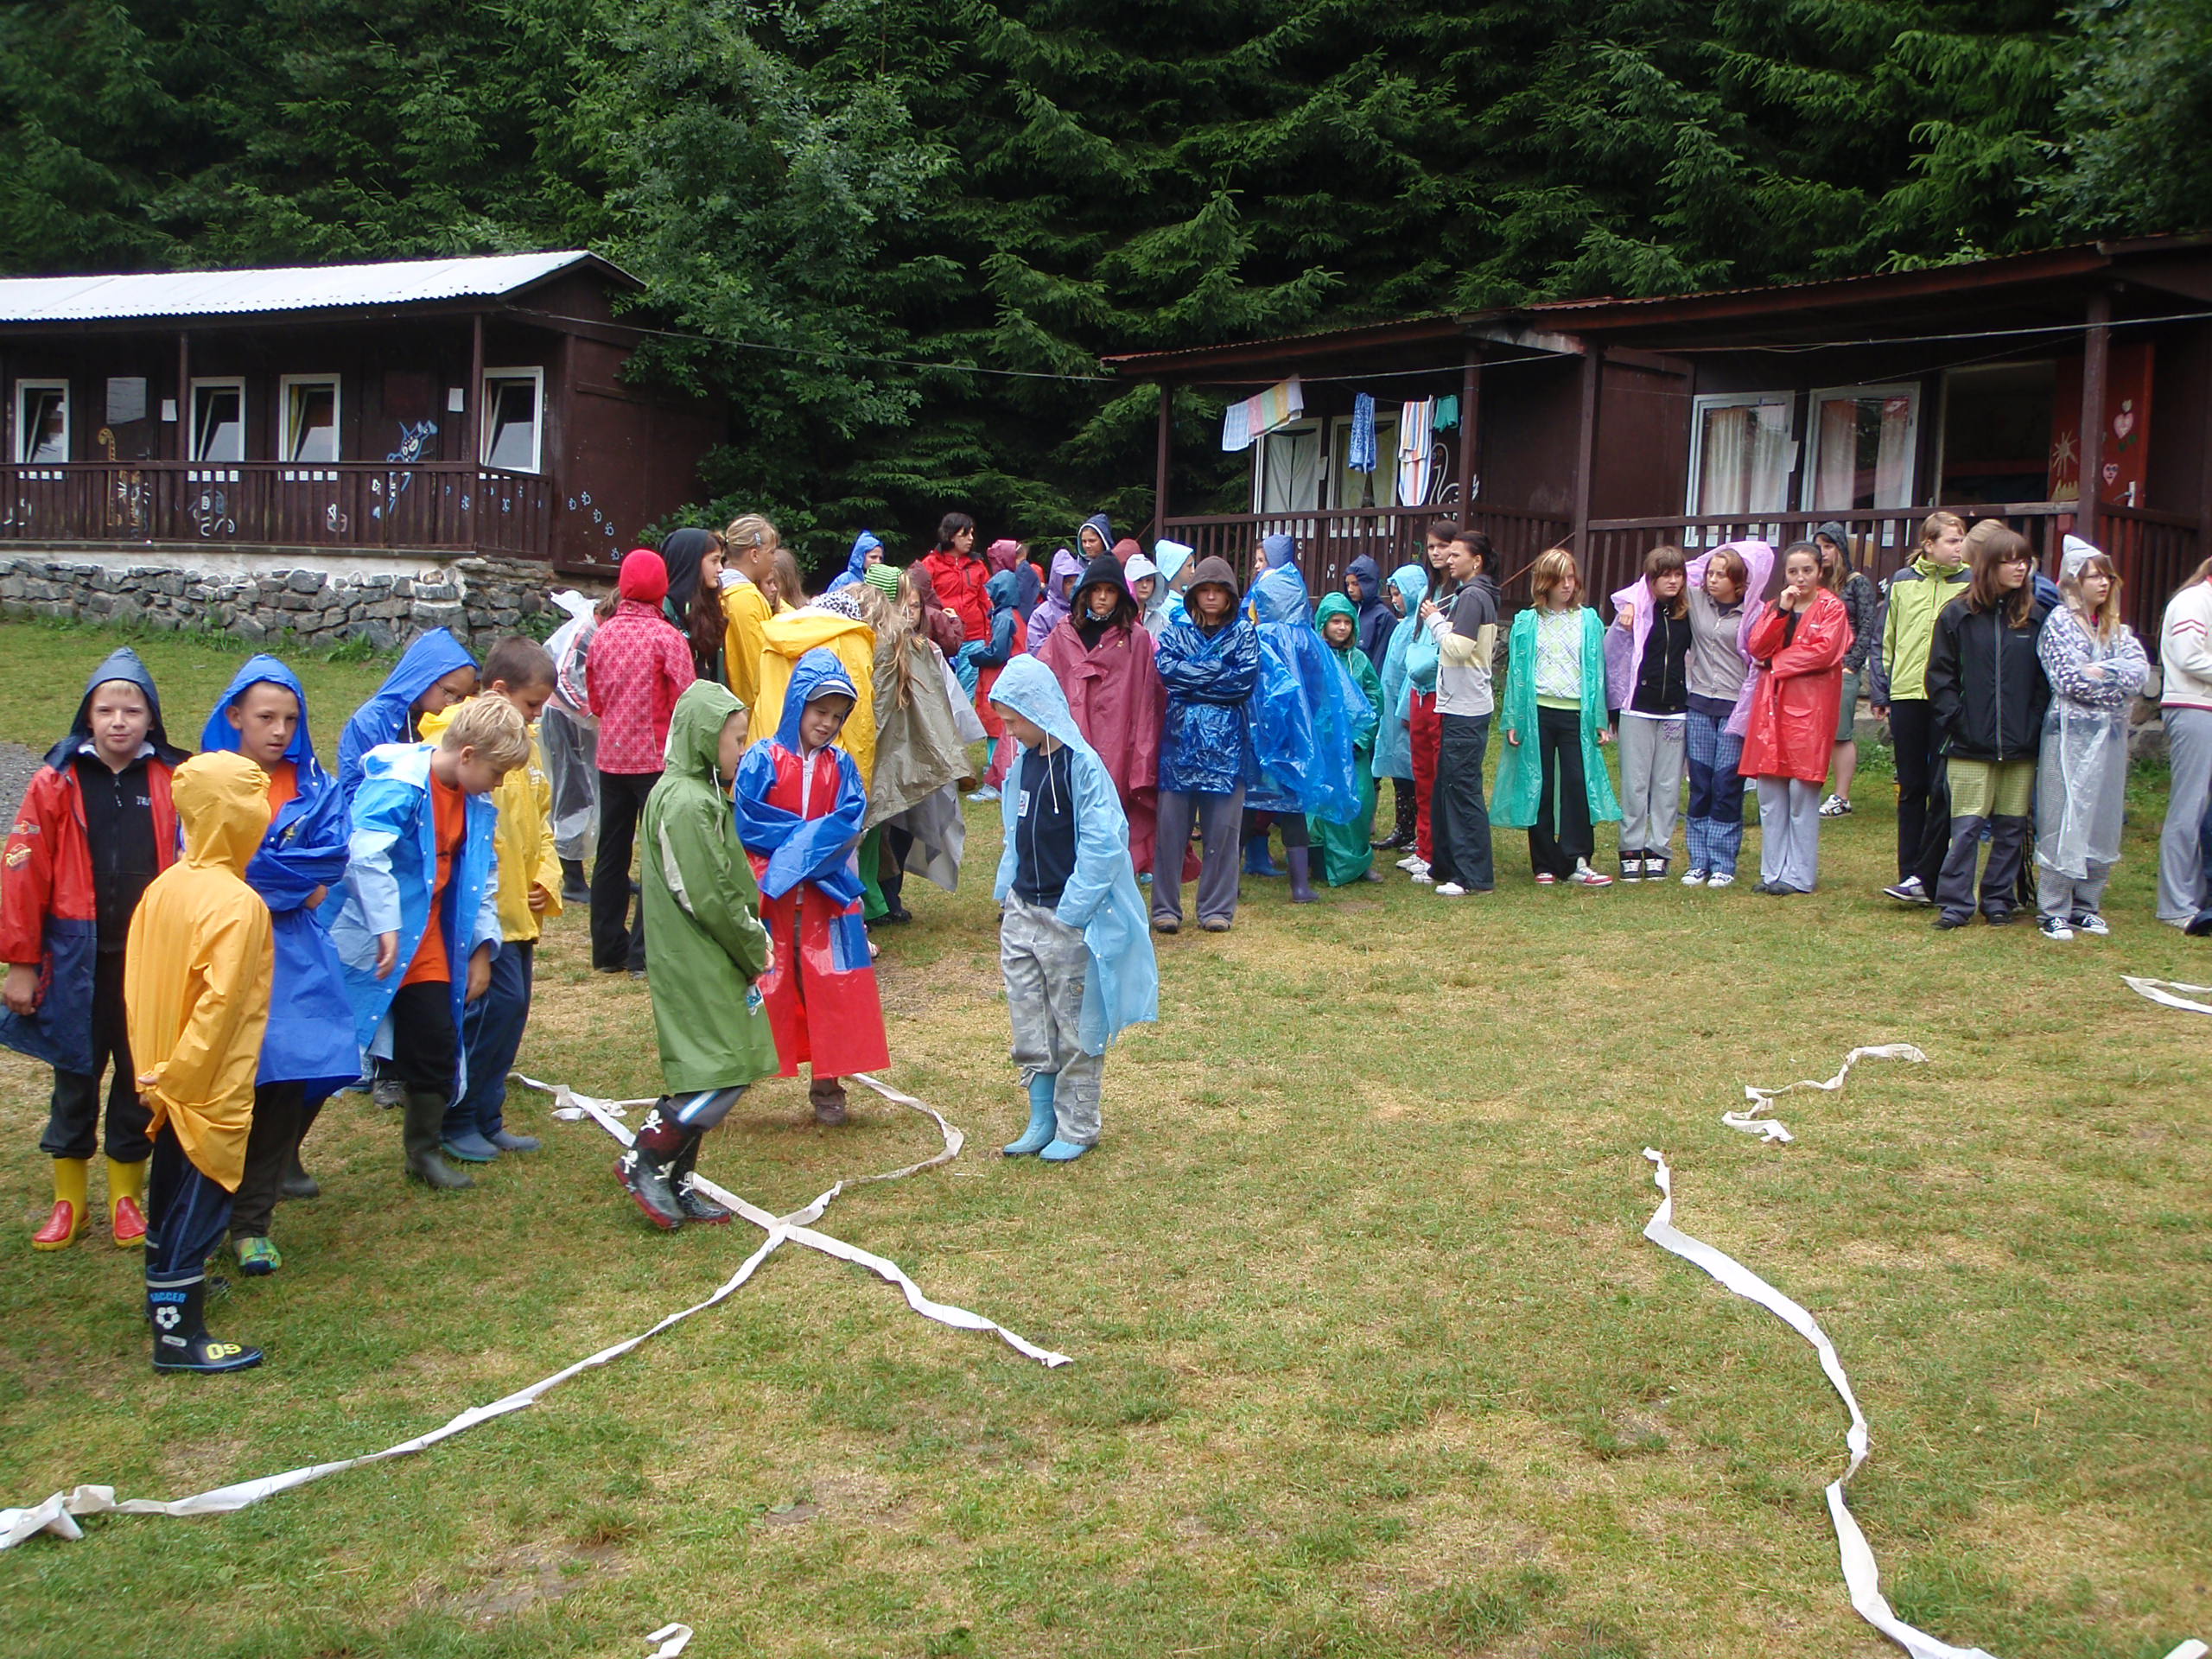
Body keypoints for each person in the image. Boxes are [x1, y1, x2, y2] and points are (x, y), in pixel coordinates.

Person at [3, 648, 186, 1251]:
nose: (119, 721)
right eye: (106, 710)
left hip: (146, 960)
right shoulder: (56, 781)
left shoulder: (174, 779)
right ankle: (70, 1202)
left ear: (152, 717)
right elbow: (23, 873)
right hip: (73, 956)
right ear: (88, 715)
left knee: (138, 1076)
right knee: (75, 1075)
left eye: (132, 710)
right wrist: (22, 962)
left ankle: (126, 1198)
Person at [330, 696, 529, 1192]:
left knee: (436, 1040)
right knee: (328, 1046)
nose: (498, 783)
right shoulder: (399, 786)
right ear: (468, 756)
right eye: (497, 772)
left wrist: (481, 948)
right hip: (370, 937)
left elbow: (482, 874)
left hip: (428, 939)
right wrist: (385, 925)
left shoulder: (474, 801)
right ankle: (281, 1160)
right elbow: (364, 855)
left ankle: (422, 1152)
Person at [197, 656, 356, 1277]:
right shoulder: (206, 779)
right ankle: (201, 1214)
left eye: (291, 718)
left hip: (295, 956)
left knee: (288, 1081)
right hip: (221, 950)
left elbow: (325, 866)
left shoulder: (315, 786)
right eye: (266, 717)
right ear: (235, 715)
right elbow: (204, 864)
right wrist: (281, 878)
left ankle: (251, 1223)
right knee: (223, 1084)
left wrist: (265, 872)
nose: (279, 730)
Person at [126, 750, 274, 1372]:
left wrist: (156, 1069)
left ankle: (163, 1287)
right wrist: (187, 1074)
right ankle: (178, 1333)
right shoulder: (237, 904)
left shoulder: (165, 886)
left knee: (167, 1186)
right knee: (202, 1192)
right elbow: (221, 1006)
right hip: (205, 1080)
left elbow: (137, 981)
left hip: (161, 1069)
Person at [618, 681, 779, 1228]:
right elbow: (706, 893)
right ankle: (645, 1162)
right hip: (698, 952)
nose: (742, 750)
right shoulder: (686, 801)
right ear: (706, 739)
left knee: (708, 1066)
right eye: (736, 739)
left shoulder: (697, 793)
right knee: (723, 1067)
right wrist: (752, 942)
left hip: (704, 949)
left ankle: (676, 1179)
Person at [988, 656, 1159, 1163]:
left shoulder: (1081, 767)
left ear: (1038, 709)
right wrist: (1010, 895)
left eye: (1014, 720)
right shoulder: (1024, 765)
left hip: (1067, 920)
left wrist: (1072, 911)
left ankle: (1078, 1123)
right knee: (1029, 1018)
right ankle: (1041, 1116)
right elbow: (1016, 835)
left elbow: (1105, 845)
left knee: (1075, 1024)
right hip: (1024, 911)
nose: (1010, 731)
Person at [734, 648, 891, 1126]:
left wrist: (798, 851)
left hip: (826, 897)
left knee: (832, 988)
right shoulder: (762, 758)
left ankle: (828, 1084)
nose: (827, 723)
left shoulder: (841, 765)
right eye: (820, 711)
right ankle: (729, 1075)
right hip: (772, 895)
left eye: (837, 716)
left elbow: (847, 824)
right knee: (760, 983)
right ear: (797, 703)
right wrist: (807, 847)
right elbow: (749, 822)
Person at [421, 638, 562, 1164]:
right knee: (487, 1012)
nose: (537, 716)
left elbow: (541, 821)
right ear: (499, 691)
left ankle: (487, 1115)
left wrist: (546, 876)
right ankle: (456, 1117)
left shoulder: (527, 745)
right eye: (531, 705)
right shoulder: (456, 740)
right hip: (483, 913)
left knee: (511, 1011)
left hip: (519, 910)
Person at [1924, 528, 2050, 928]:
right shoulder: (1957, 615)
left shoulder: (2035, 618)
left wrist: (2031, 726)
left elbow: (2043, 683)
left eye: (2024, 560)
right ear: (1988, 566)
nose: (2020, 568)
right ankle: (1955, 903)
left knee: (2012, 828)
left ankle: (1998, 899)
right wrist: (1959, 722)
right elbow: (1939, 677)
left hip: (2020, 745)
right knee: (1965, 829)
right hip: (1968, 745)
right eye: (2010, 560)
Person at [2036, 537, 2150, 940]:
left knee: (2102, 818)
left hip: (2110, 736)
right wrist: (2111, 679)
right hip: (2068, 734)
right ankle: (2053, 908)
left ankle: (2087, 905)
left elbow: (2139, 673)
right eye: (2095, 576)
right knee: (2063, 815)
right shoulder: (2059, 623)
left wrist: (2103, 671)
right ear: (2074, 581)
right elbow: (2069, 681)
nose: (2103, 583)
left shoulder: (2116, 627)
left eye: (2108, 576)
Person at [588, 549, 696, 974]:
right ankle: (643, 953)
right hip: (654, 759)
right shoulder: (667, 638)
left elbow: (595, 698)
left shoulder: (603, 635)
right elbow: (685, 699)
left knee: (610, 852)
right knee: (655, 855)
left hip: (611, 756)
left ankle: (607, 948)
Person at [1034, 552, 1169, 881]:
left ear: (1121, 595)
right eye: (1097, 590)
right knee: (1070, 803)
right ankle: (1071, 869)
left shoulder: (1136, 638)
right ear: (1085, 593)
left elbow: (1148, 695)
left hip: (1119, 738)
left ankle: (1114, 869)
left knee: (1112, 804)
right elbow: (1044, 679)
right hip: (1072, 735)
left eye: (1110, 591)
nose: (1103, 597)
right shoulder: (1065, 633)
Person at [1494, 548, 1619, 887]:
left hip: (1576, 712)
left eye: (1571, 577)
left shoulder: (1588, 620)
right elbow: (1517, 672)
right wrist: (1513, 718)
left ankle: (1578, 859)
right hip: (1537, 712)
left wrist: (1599, 718)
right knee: (1540, 784)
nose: (1567, 585)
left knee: (1578, 783)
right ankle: (1544, 862)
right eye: (1559, 579)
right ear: (1544, 582)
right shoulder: (1526, 622)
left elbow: (1597, 672)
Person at [858, 572, 973, 925]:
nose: (911, 611)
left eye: (916, 604)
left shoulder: (912, 647)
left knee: (894, 824)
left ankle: (884, 898)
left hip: (900, 754)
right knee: (873, 825)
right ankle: (874, 900)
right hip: (879, 751)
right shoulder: (878, 644)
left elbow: (933, 703)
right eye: (904, 602)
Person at [1153, 557, 1258, 932]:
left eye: (1218, 591)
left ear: (1230, 596)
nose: (1211, 597)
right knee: (1170, 833)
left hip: (1228, 748)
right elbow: (1168, 673)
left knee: (1223, 833)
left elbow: (1242, 682)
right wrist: (1217, 669)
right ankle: (1165, 908)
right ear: (1194, 594)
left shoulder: (1244, 633)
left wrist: (1194, 677)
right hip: (1179, 745)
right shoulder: (1176, 632)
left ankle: (1217, 909)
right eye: (1205, 590)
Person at [1740, 543, 1852, 896]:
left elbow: (1823, 651)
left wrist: (1776, 664)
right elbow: (1757, 646)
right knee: (1771, 793)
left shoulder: (1832, 608)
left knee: (1802, 793)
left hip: (1810, 708)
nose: (1800, 578)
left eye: (1807, 570)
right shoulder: (1776, 606)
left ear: (1820, 571)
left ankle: (1800, 875)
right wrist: (1782, 612)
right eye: (1793, 571)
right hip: (1771, 707)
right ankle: (1772, 871)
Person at [1872, 511, 1972, 905]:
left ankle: (1934, 873)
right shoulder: (1902, 581)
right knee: (1911, 786)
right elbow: (1886, 638)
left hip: (1949, 698)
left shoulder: (1970, 582)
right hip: (1907, 694)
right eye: (1951, 540)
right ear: (1928, 545)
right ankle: (1908, 872)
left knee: (1941, 788)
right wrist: (1882, 691)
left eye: (1962, 540)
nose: (1959, 547)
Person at [1680, 541, 1776, 888]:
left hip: (1735, 708)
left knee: (1726, 785)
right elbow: (1658, 581)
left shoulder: (1755, 612)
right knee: (1700, 784)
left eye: (1722, 574)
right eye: (1711, 573)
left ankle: (1723, 862)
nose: (1713, 579)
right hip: (1699, 704)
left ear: (1739, 582)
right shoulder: (1695, 600)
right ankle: (1698, 861)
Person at [1605, 544, 1694, 882]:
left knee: (1667, 785)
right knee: (1635, 783)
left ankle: (1659, 849)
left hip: (1675, 711)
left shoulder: (1689, 610)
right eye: (1664, 575)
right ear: (1650, 580)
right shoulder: (1636, 611)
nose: (1673, 581)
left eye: (1678, 574)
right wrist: (1630, 604)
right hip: (1637, 708)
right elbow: (1613, 657)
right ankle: (1630, 849)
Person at [1422, 531, 1500, 897]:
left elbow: (1458, 648)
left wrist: (1435, 621)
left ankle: (1473, 876)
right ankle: (1446, 865)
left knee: (1462, 789)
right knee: (1447, 786)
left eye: (1456, 555)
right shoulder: (1473, 594)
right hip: (1461, 705)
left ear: (1476, 561)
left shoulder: (1471, 596)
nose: (1449, 560)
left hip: (1467, 708)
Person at [749, 587, 880, 791]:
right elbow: (860, 725)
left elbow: (756, 694)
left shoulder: (775, 636)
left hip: (766, 757)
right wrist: (859, 787)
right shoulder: (852, 639)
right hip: (825, 766)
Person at [334, 627, 479, 810]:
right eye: (448, 692)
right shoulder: (370, 721)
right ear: (425, 677)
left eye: (460, 698)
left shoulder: (444, 720)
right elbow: (351, 790)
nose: (451, 704)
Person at [1399, 520, 1459, 879]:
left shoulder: (1460, 593)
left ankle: (1440, 852)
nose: (1436, 553)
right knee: (1421, 773)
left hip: (1442, 692)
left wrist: (1428, 665)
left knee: (1439, 776)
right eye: (1432, 547)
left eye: (1443, 546)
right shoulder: (1428, 589)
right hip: (1418, 691)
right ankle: (1424, 848)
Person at [1313, 592, 1385, 886]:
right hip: (1322, 747)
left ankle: (1357, 861)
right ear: (1323, 623)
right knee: (1322, 805)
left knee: (1360, 801)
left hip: (1354, 748)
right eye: (1335, 621)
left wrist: (1362, 738)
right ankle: (1321, 861)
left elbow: (1374, 700)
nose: (1342, 627)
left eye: (1347, 622)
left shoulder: (1359, 661)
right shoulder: (1313, 656)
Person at [2156, 555, 2212, 931]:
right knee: (2189, 806)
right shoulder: (2193, 601)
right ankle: (2176, 904)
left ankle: (2199, 898)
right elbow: (2190, 657)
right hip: (2193, 708)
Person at [1814, 523, 1879, 818]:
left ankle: (1842, 797)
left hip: (1843, 668)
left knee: (1840, 732)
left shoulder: (1856, 583)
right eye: (1819, 546)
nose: (1823, 552)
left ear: (1840, 549)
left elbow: (1867, 626)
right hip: (1815, 668)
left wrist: (1852, 664)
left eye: (1828, 546)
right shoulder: (1814, 584)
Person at [540, 591, 600, 901]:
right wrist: (588, 713)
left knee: (593, 792)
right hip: (564, 719)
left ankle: (604, 872)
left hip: (586, 723)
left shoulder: (599, 628)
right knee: (571, 792)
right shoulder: (585, 630)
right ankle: (572, 879)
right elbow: (561, 679)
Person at [1370, 564, 1427, 853]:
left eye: (1399, 594)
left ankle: (1419, 832)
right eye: (1392, 594)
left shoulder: (1422, 626)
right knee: (1399, 772)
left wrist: (1406, 709)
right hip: (1392, 708)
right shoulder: (1403, 625)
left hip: (1408, 709)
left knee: (1415, 771)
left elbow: (1414, 673)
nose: (1395, 600)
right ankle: (1403, 828)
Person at [972, 566, 1027, 798]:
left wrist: (976, 656)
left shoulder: (1004, 618)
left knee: (996, 724)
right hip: (1007, 676)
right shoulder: (1012, 615)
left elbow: (998, 652)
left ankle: (996, 776)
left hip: (1000, 677)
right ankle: (997, 769)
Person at [717, 514, 781, 711]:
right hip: (747, 711)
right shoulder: (744, 598)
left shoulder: (724, 589)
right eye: (771, 552)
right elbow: (753, 668)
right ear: (754, 555)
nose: (775, 558)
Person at [918, 512, 992, 670]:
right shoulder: (930, 564)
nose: (970, 539)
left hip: (974, 636)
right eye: (964, 534)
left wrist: (988, 632)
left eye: (972, 534)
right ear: (951, 536)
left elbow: (987, 601)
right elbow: (922, 602)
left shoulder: (978, 565)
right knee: (944, 682)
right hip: (944, 637)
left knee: (969, 685)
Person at [660, 526, 728, 683]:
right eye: (714, 561)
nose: (721, 569)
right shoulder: (663, 613)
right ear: (691, 563)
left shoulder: (710, 607)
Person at [1027, 549, 1082, 652]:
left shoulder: (1086, 609)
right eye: (1068, 582)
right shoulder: (1042, 615)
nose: (1074, 586)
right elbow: (1035, 651)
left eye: (1077, 581)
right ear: (1058, 584)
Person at [1347, 554, 1395, 672]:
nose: (1350, 589)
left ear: (1368, 584)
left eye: (1355, 584)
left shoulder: (1383, 617)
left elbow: (1380, 659)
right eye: (1347, 584)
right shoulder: (1349, 612)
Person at [1125, 552, 1173, 640]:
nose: (1144, 585)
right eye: (1139, 580)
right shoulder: (1119, 616)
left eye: (1149, 580)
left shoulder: (1160, 621)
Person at [826, 529, 884, 594]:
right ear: (861, 557)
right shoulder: (844, 581)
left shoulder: (882, 582)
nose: (878, 562)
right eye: (873, 557)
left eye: (880, 558)